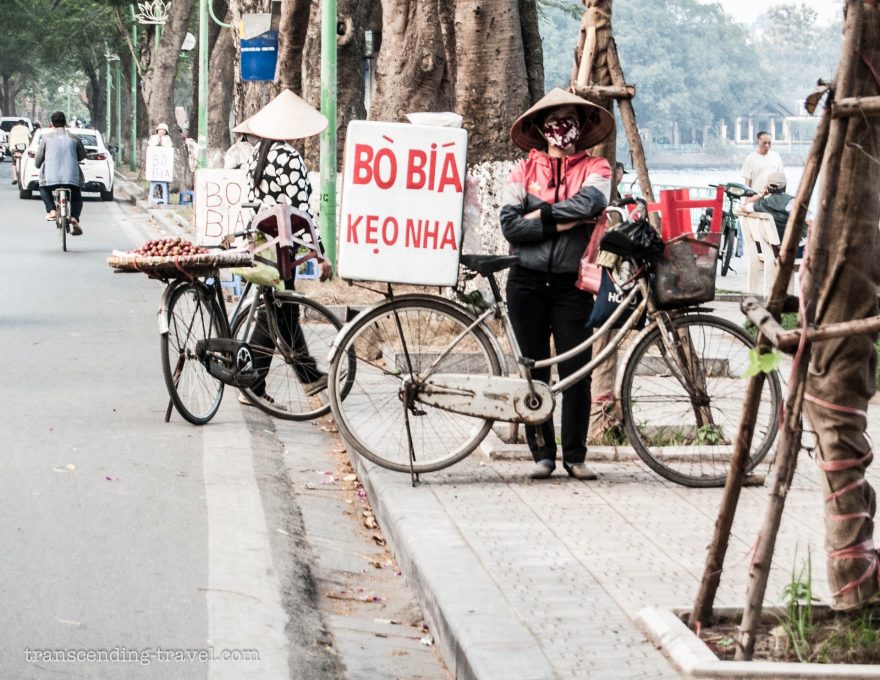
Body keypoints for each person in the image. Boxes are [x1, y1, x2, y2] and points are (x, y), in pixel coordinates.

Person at [500, 88, 614, 480]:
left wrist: (539, 218)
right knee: (534, 370)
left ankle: (576, 455)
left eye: (568, 118)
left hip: (572, 283)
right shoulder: (522, 171)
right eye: (553, 119)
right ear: (540, 127)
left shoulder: (597, 169)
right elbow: (509, 225)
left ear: (580, 127)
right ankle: (542, 454)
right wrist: (563, 221)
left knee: (576, 370)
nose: (559, 127)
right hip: (525, 280)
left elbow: (591, 205)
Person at [231, 89, 332, 408]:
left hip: (258, 243)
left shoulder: (256, 156)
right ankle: (254, 384)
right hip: (282, 246)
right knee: (273, 314)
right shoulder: (288, 157)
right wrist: (320, 252)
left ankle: (308, 375)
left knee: (283, 313)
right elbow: (301, 211)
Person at [35, 111, 86, 234]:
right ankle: (74, 217)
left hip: (50, 179)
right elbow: (82, 156)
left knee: (43, 188)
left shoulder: (46, 138)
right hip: (71, 179)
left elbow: (38, 161)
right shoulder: (74, 138)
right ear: (65, 122)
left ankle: (52, 210)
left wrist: (39, 164)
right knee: (76, 196)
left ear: (51, 124)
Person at [742, 170, 809, 257]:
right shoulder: (792, 202)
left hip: (772, 250)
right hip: (794, 251)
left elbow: (743, 206)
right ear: (785, 186)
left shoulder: (762, 204)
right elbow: (810, 221)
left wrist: (760, 194)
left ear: (768, 188)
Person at [8, 119, 30, 185]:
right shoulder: (26, 128)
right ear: (24, 124)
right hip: (24, 147)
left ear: (17, 124)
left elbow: (9, 138)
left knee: (14, 163)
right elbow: (30, 137)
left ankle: (15, 178)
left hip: (14, 147)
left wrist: (10, 147)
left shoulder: (13, 128)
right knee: (24, 161)